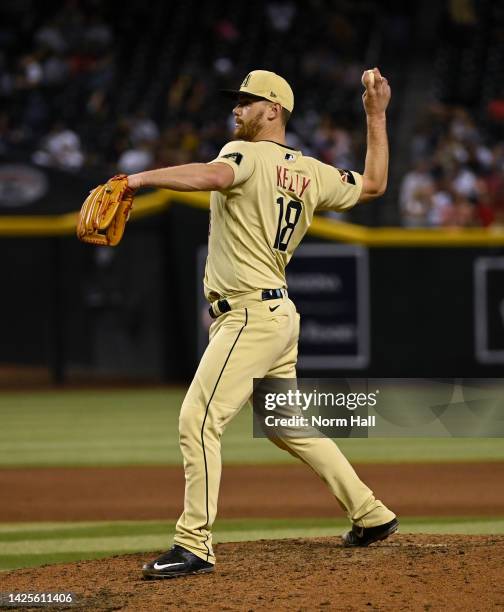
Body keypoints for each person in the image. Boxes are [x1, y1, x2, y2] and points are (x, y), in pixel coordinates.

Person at [126, 69, 397, 579]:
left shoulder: (243, 154)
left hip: (248, 315)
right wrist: (376, 116)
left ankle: (193, 544)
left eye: (248, 101)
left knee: (198, 420)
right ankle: (371, 514)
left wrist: (138, 179)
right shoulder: (312, 171)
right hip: (278, 315)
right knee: (287, 424)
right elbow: (377, 184)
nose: (237, 109)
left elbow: (212, 176)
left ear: (274, 109)